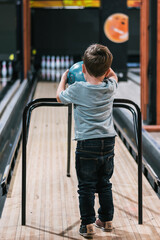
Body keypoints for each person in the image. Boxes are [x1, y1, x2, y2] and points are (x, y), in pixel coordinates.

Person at [56, 44, 118, 237]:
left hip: (86, 144)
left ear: (83, 69)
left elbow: (59, 97)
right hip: (108, 142)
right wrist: (107, 69)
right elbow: (114, 77)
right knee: (105, 183)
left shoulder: (77, 88)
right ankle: (106, 220)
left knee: (86, 187)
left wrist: (63, 79)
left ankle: (88, 225)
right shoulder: (110, 87)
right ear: (107, 70)